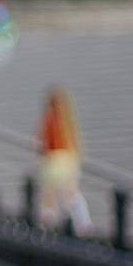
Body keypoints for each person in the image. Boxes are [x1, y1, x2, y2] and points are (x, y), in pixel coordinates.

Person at [36, 86, 91, 232]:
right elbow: (75, 145)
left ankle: (47, 228)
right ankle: (83, 225)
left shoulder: (50, 120)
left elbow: (43, 145)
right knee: (72, 195)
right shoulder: (68, 120)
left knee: (49, 198)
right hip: (69, 161)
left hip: (54, 161)